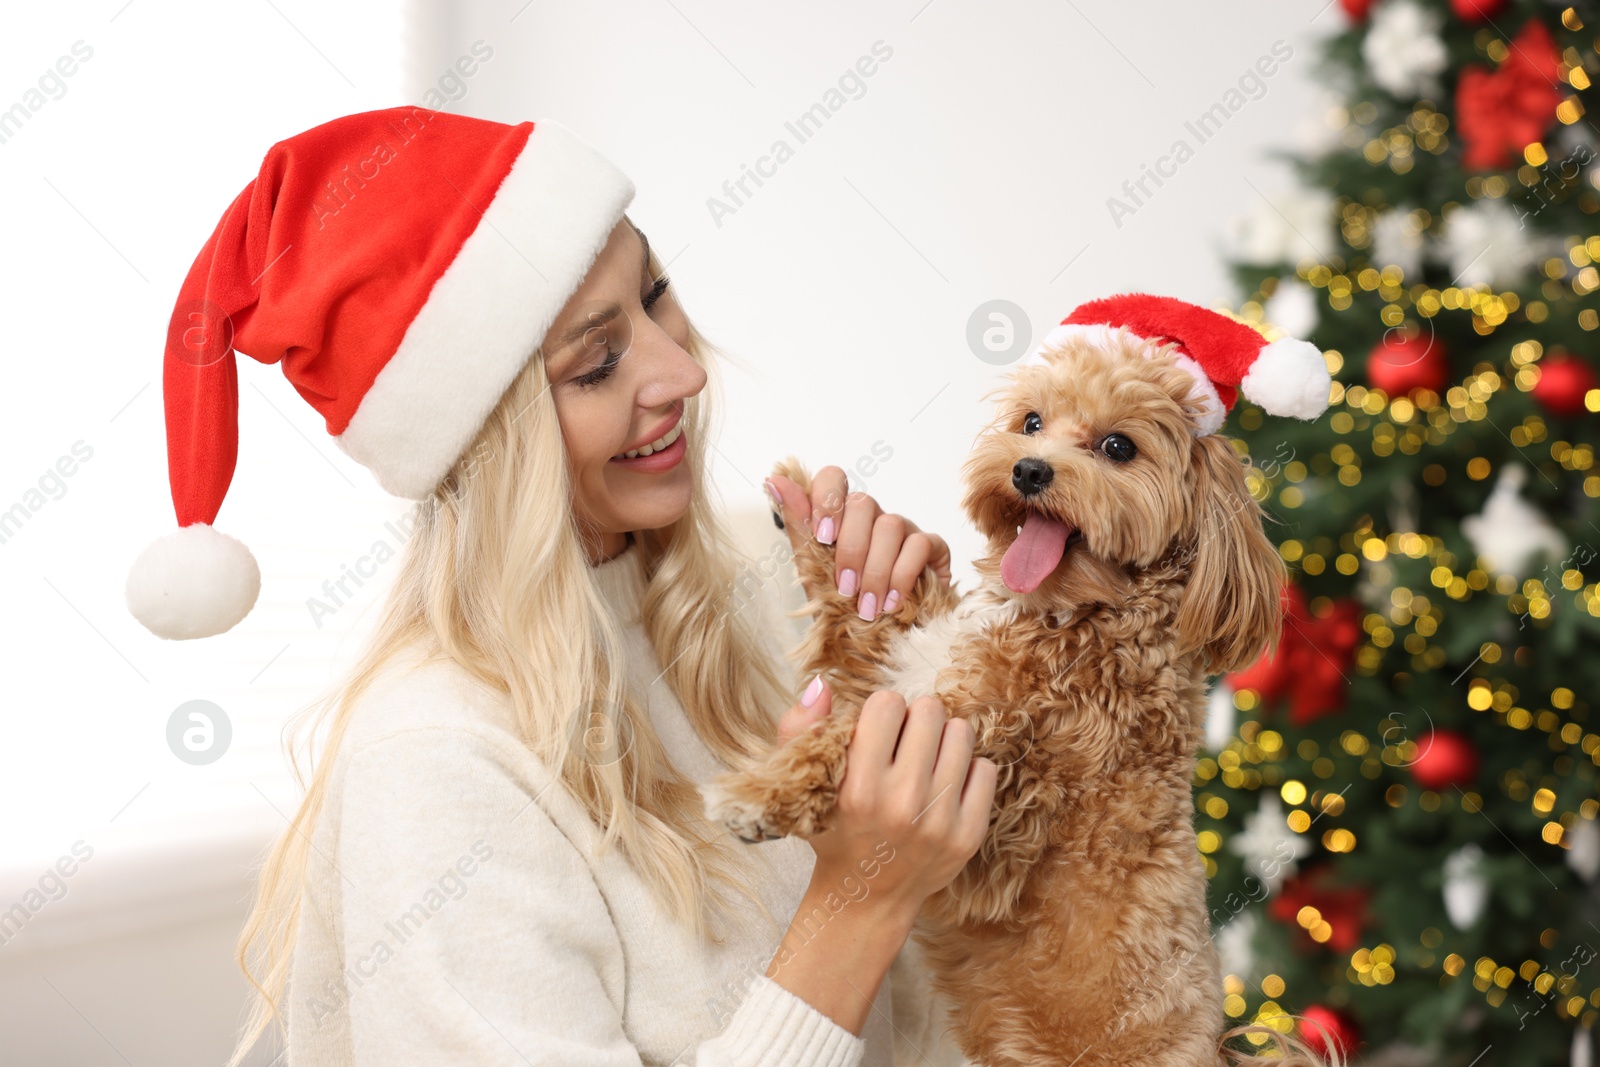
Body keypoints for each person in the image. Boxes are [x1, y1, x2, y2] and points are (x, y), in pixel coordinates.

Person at [120, 106, 996, 1067]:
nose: (680, 372)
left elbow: (951, 1003)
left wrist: (916, 667)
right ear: (492, 441)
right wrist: (855, 902)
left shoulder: (750, 607)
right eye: (597, 362)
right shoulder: (437, 761)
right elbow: (855, 933)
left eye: (655, 296)